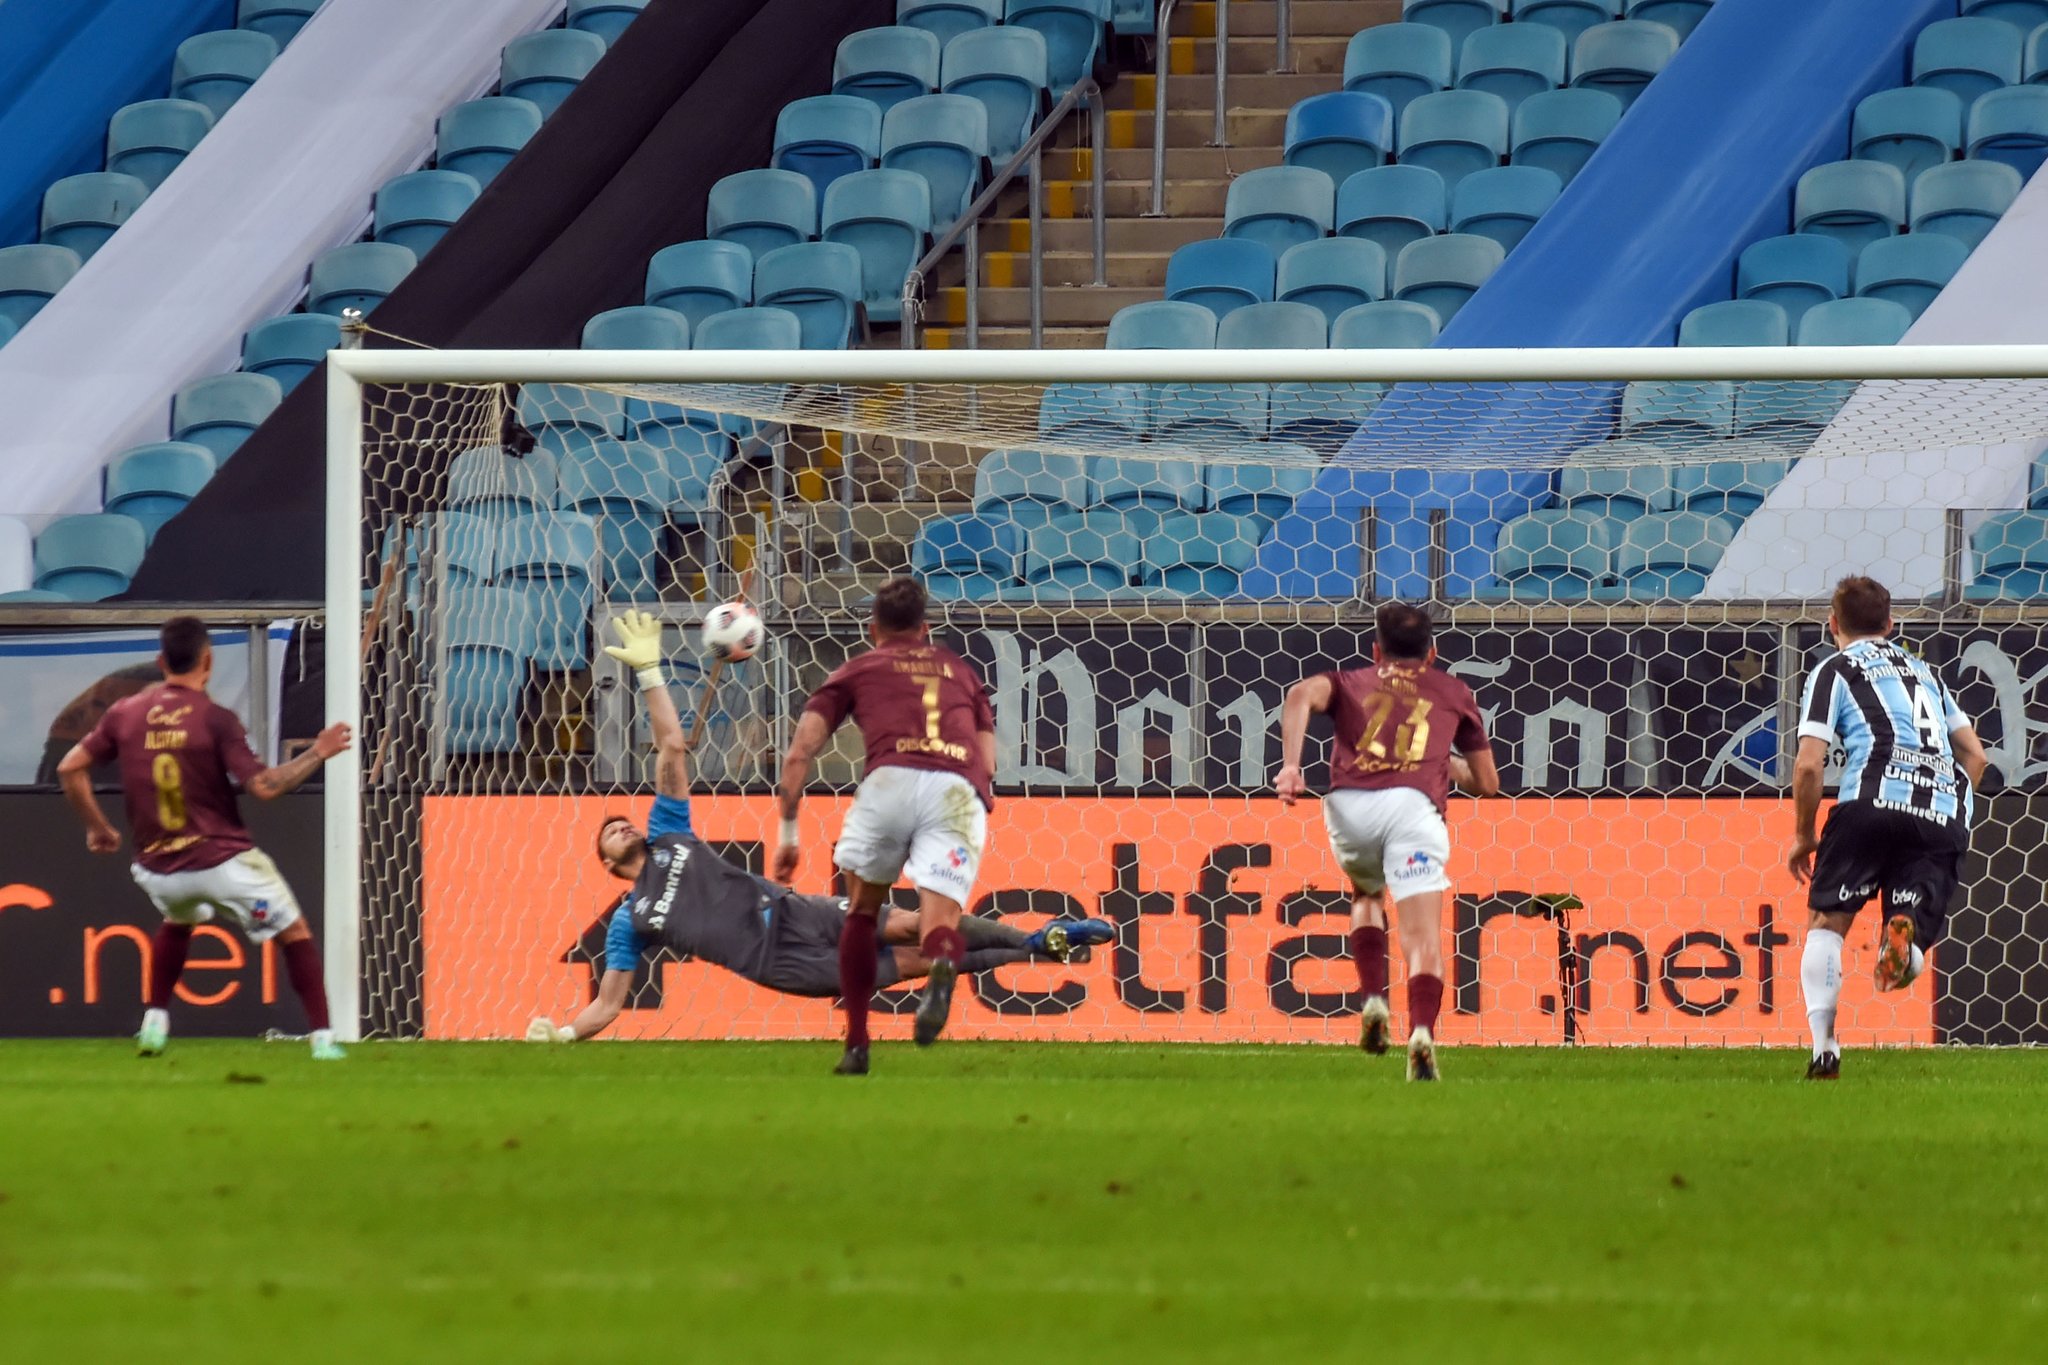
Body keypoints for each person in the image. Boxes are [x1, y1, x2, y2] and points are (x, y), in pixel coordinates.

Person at [533, 609, 1108, 1046]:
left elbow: (671, 748)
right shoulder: (629, 921)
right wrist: (561, 1035)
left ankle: (1040, 940)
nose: (622, 827)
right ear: (606, 862)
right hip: (778, 962)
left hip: (793, 910)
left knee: (916, 923)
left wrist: (649, 671)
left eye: (623, 821)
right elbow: (607, 1005)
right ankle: (1034, 947)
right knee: (920, 961)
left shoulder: (668, 833)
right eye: (611, 832)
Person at [54, 615, 353, 1059]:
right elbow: (264, 787)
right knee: (294, 932)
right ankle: (324, 1040)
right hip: (222, 863)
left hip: (158, 870)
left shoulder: (124, 713)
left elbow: (69, 767)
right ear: (208, 661)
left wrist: (97, 826)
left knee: (179, 918)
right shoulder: (215, 719)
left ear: (161, 661)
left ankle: (155, 1022)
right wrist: (318, 751)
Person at [772, 577, 996, 1075]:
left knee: (862, 913)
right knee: (939, 918)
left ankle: (857, 1045)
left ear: (873, 629)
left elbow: (800, 752)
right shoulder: (960, 672)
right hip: (957, 789)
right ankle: (942, 964)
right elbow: (989, 759)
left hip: (890, 780)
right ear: (926, 629)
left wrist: (788, 833)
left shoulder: (857, 669)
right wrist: (979, 795)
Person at [1276, 602, 1498, 1082]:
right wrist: (1444, 763)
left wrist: (1291, 766)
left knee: (1366, 894)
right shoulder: (1454, 691)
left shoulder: (1348, 681)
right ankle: (1421, 1035)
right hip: (1413, 809)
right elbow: (1487, 783)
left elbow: (1298, 695)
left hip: (1349, 807)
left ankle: (1374, 999)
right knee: (1422, 936)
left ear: (1376, 650)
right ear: (1432, 653)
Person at [1787, 576, 1987, 1081]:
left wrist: (1804, 835)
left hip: (1871, 802)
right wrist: (1952, 806)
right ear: (1891, 624)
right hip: (1940, 811)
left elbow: (1808, 765)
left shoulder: (1834, 669)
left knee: (1826, 923)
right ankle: (1905, 945)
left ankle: (1824, 1049)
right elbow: (1976, 755)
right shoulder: (1926, 673)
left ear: (1833, 624)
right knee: (1911, 929)